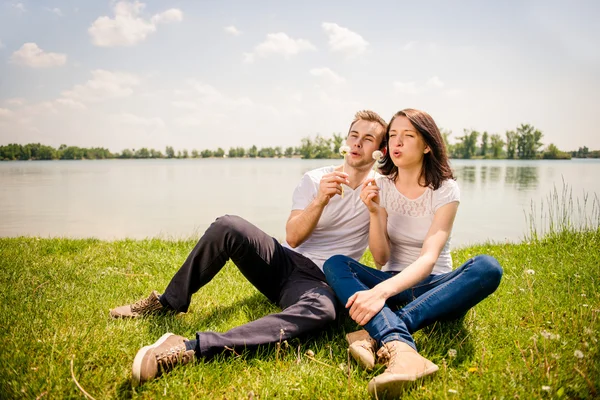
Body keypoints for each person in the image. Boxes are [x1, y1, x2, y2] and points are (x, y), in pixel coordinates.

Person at [110, 110, 388, 386]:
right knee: (228, 225)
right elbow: (292, 237)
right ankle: (167, 302)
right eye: (354, 136)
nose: (357, 144)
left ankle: (190, 348)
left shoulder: (381, 191)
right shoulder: (315, 180)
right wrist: (319, 200)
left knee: (324, 311)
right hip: (283, 260)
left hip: (319, 280)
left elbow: (380, 258)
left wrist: (374, 211)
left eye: (367, 139)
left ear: (379, 151)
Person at [323, 108, 503, 398]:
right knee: (335, 264)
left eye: (408, 136)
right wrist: (374, 213)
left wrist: (379, 294)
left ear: (427, 145)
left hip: (435, 287)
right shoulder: (381, 184)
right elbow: (380, 258)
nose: (397, 143)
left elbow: (428, 259)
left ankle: (378, 333)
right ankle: (401, 347)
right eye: (393, 135)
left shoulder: (445, 190)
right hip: (394, 281)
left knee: (488, 268)